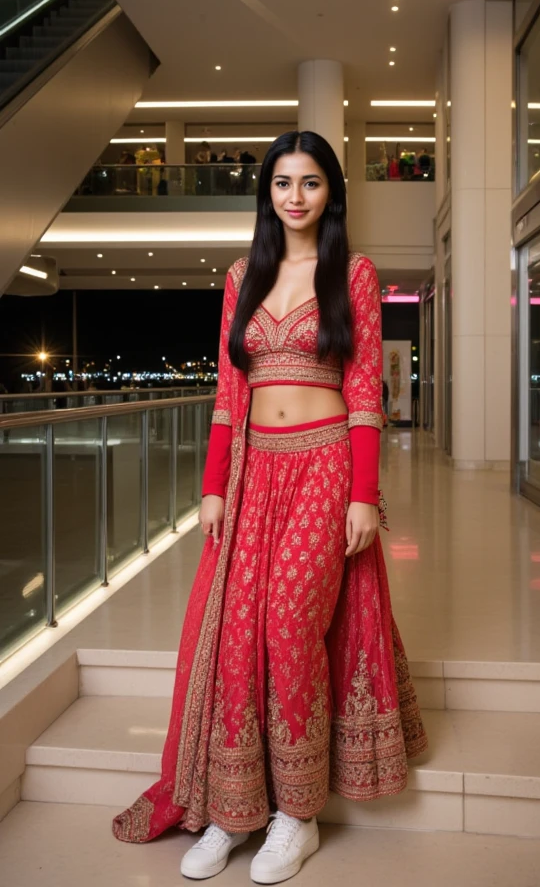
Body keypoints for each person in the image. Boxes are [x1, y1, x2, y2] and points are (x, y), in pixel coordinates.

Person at [112, 131, 428, 882]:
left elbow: (361, 392)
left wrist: (362, 494)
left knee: (289, 624)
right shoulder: (240, 277)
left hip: (321, 468)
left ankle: (297, 813)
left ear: (331, 193)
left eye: (310, 183)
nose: (295, 196)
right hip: (254, 473)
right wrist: (214, 486)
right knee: (238, 634)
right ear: (267, 195)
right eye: (283, 183)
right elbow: (231, 392)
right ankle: (233, 808)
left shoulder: (351, 272)